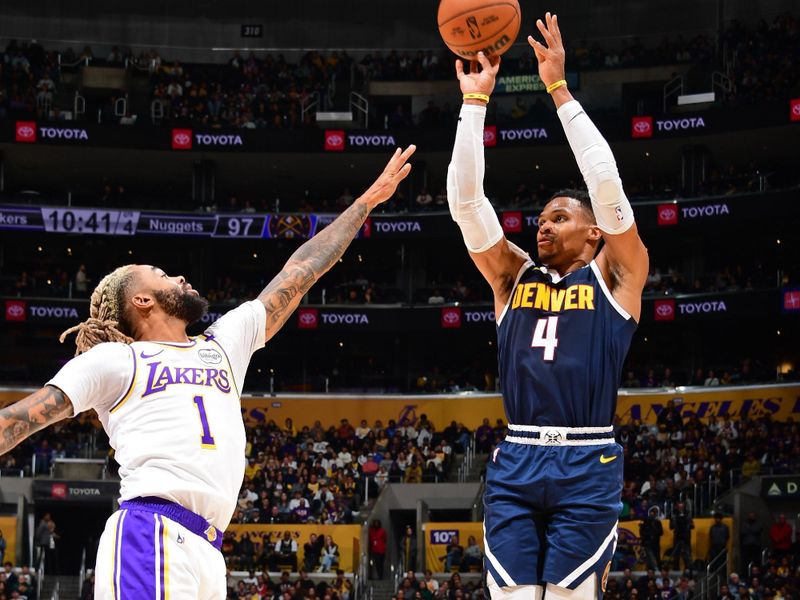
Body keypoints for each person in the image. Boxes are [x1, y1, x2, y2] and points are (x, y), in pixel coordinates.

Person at [0, 146, 415, 599]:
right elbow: (22, 418)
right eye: (160, 274)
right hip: (150, 532)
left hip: (209, 548)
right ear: (142, 302)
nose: (178, 277)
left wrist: (365, 204)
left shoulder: (222, 344)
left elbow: (301, 270)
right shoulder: (116, 361)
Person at [447, 12, 648, 599]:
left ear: (593, 234)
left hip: (587, 460)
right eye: (539, 220)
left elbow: (607, 188)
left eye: (559, 218)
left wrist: (558, 88)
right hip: (516, 456)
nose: (543, 228)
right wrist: (474, 103)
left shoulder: (616, 274)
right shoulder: (512, 276)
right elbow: (466, 204)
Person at [670, 501, 694, 572]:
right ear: (677, 507)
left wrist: (689, 525)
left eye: (682, 506)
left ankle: (688, 568)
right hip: (677, 537)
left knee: (687, 554)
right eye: (679, 506)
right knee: (676, 553)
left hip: (686, 537)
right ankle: (676, 568)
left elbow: (692, 525)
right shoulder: (674, 514)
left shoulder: (688, 514)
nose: (680, 508)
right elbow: (671, 526)